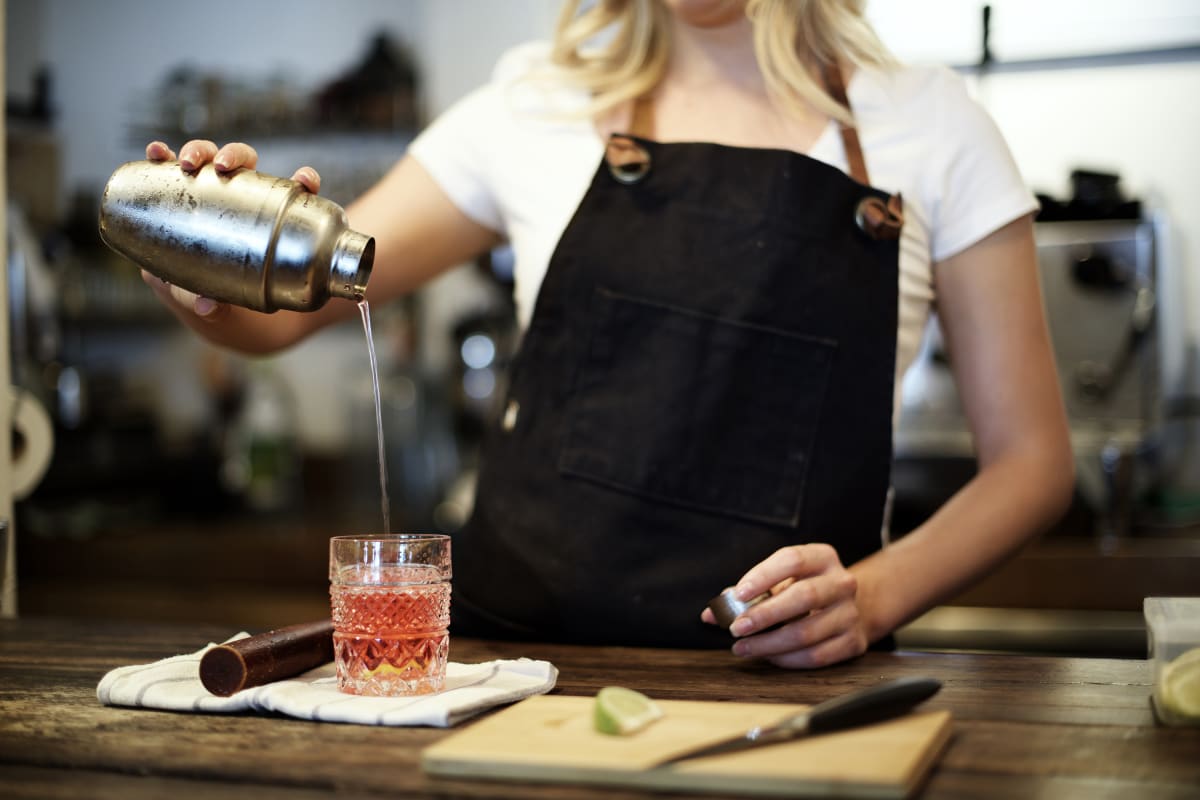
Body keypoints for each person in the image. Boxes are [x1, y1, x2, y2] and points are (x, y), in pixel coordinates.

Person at [143, 0, 1074, 666]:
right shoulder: (529, 110)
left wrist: (874, 598)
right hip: (514, 688)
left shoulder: (933, 130)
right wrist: (212, 268)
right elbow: (283, 322)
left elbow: (1033, 463)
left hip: (790, 703)